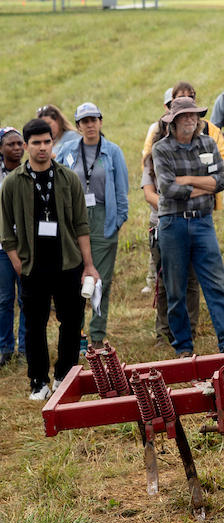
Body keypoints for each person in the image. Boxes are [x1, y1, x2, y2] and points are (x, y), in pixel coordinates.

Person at [1, 118, 100, 399]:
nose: (42, 148)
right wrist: (19, 265)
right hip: (32, 266)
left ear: (52, 143)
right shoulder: (12, 184)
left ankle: (65, 375)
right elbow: (6, 232)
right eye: (36, 143)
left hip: (68, 264)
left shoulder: (68, 178)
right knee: (34, 326)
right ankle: (38, 381)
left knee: (71, 322)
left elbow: (81, 225)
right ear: (27, 146)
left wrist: (89, 265)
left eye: (47, 142)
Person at [152, 97, 224, 356]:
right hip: (172, 224)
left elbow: (222, 181)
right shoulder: (161, 149)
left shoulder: (208, 142)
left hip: (202, 222)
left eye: (194, 115)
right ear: (173, 121)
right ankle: (184, 347)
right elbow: (167, 189)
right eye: (185, 116)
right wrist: (203, 186)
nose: (190, 119)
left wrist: (187, 180)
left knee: (216, 284)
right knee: (175, 288)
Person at [57, 103, 129, 349]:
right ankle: (75, 334)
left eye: (93, 120)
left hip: (103, 218)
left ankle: (97, 335)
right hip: (73, 218)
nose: (89, 125)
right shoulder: (66, 151)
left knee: (101, 280)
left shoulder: (112, 151)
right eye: (84, 121)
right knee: (73, 280)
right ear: (77, 126)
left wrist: (118, 221)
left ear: (100, 121)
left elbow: (122, 191)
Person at [0, 127, 26, 366]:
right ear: (1, 148)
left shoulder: (30, 172)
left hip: (27, 247)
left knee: (27, 297)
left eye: (20, 144)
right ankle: (5, 348)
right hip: (1, 248)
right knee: (4, 299)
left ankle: (26, 348)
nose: (17, 148)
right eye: (11, 144)